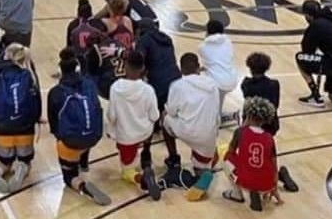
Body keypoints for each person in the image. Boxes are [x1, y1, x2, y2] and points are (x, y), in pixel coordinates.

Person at [47, 48, 110, 205]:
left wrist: (60, 137)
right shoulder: (89, 84)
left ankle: (81, 183)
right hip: (94, 136)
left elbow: (54, 125)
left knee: (69, 177)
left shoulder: (56, 92)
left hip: (71, 142)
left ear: (60, 70)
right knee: (84, 120)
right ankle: (84, 163)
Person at [162, 53, 220, 201]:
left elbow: (171, 111)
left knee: (165, 118)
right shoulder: (212, 84)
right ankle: (204, 170)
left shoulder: (177, 85)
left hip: (187, 131)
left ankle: (173, 158)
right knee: (200, 171)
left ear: (181, 70)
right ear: (198, 67)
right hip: (209, 134)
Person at [0, 44, 41, 193]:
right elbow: (37, 103)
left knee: (5, 162)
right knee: (25, 160)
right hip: (25, 129)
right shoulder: (29, 74)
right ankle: (22, 167)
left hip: (4, 127)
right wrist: (35, 120)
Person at [240, 52, 299, 192]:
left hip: (250, 124)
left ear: (249, 67)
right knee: (269, 152)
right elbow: (275, 104)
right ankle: (276, 174)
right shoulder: (274, 84)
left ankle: (269, 175)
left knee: (249, 150)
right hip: (270, 125)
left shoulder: (246, 84)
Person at [106, 50, 161, 200]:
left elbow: (112, 116)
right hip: (144, 132)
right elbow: (155, 116)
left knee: (126, 172)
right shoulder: (148, 90)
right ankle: (144, 156)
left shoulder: (115, 88)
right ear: (142, 68)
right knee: (146, 127)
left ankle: (141, 179)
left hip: (125, 136)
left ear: (126, 66)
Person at [222, 97, 282, 211]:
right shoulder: (269, 137)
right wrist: (274, 187)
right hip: (267, 184)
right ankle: (260, 192)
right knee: (263, 164)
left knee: (226, 157)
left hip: (246, 181)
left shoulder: (240, 132)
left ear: (248, 115)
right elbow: (274, 165)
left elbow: (230, 152)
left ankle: (236, 194)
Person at [197, 19, 238, 118]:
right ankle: (226, 115)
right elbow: (216, 62)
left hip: (216, 83)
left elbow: (209, 64)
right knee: (219, 97)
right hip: (232, 78)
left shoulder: (202, 47)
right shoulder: (228, 42)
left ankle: (217, 117)